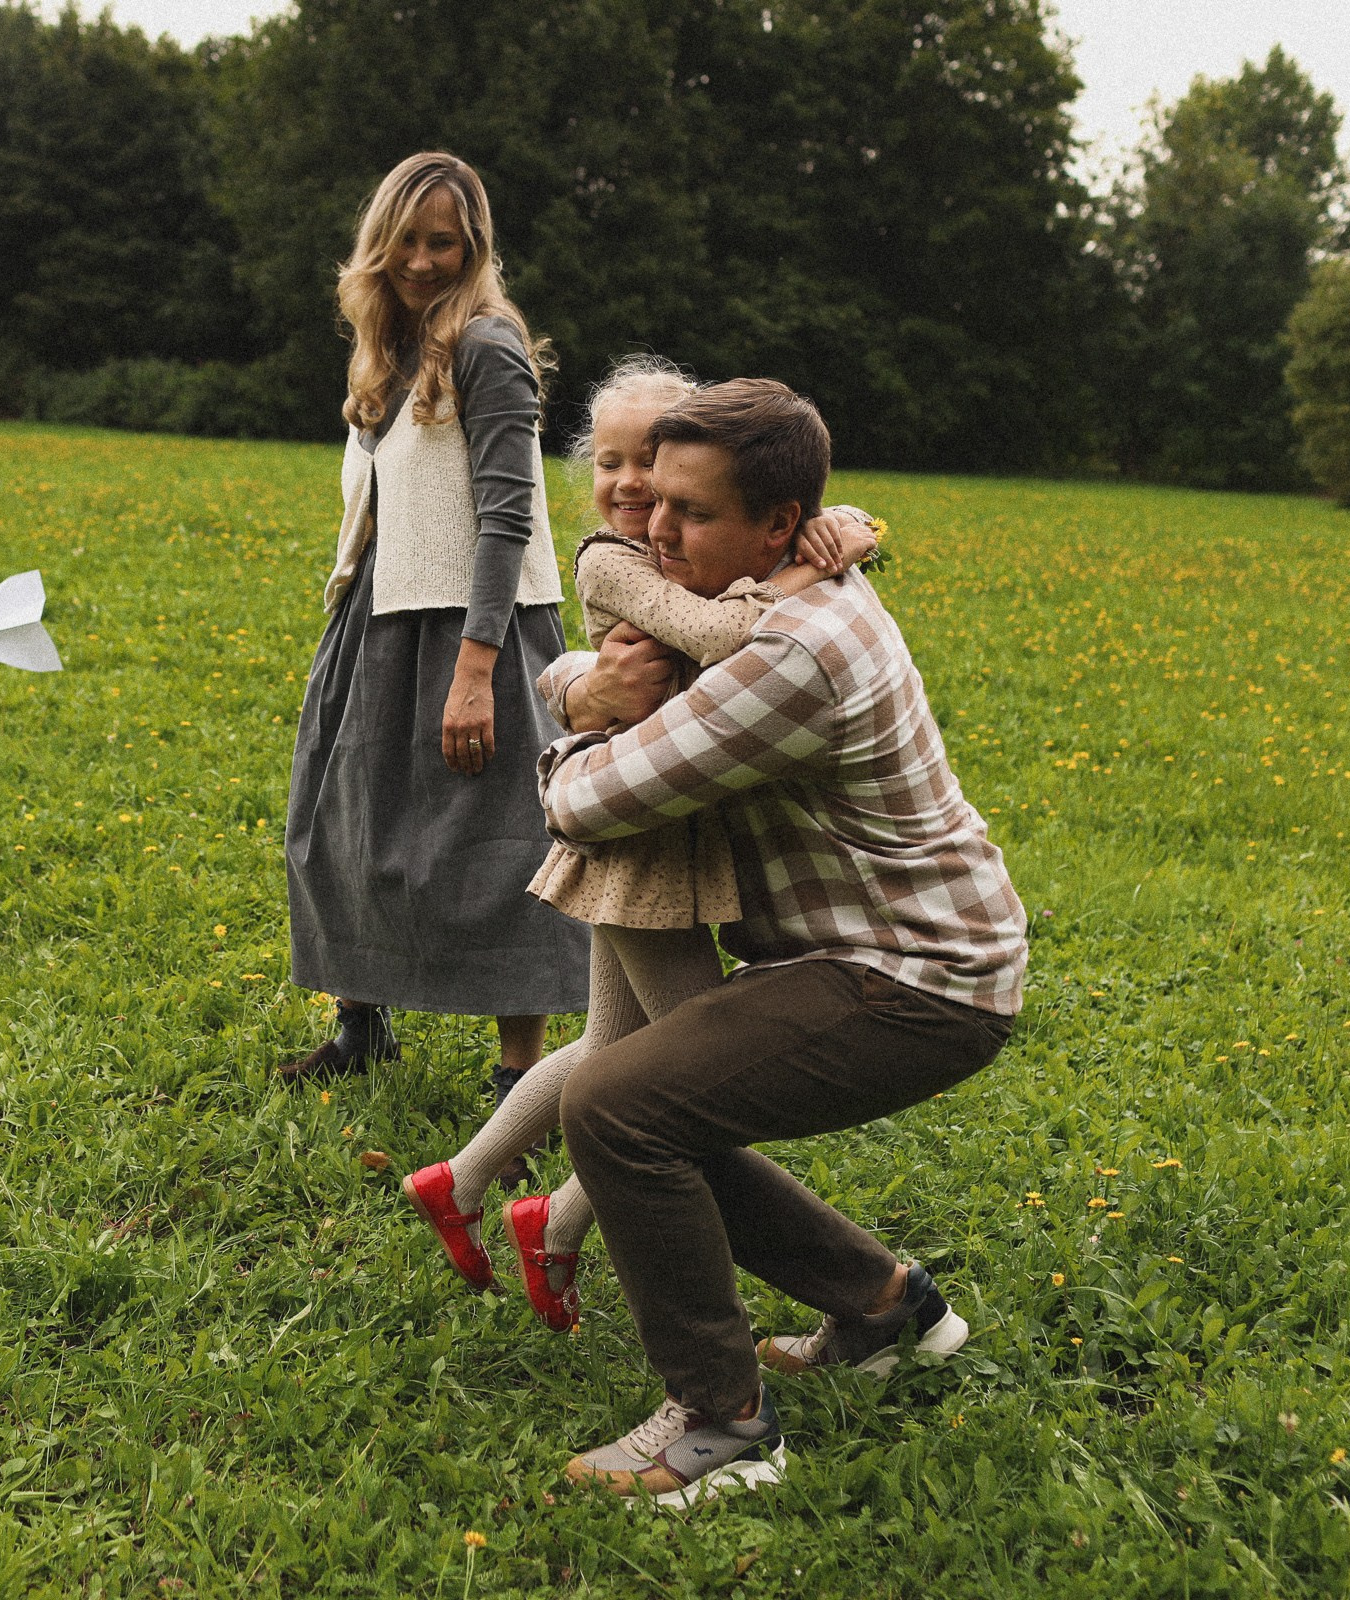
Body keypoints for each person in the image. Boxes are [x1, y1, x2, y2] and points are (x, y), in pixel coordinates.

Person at [538, 380, 1027, 1506]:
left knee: (614, 1107)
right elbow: (612, 664)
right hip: (880, 953)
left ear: (777, 523)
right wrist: (586, 688)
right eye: (653, 501)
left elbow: (589, 806)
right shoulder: (762, 593)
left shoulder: (788, 652)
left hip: (916, 976)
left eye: (691, 515)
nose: (654, 532)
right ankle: (885, 1307)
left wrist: (576, 724)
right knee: (656, 1101)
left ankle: (725, 1427)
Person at [398, 358, 879, 1323]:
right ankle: (563, 1218)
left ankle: (469, 1183)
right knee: (689, 1068)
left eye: (649, 465)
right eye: (608, 462)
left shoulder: (685, 545)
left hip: (667, 828)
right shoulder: (612, 559)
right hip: (642, 841)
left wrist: (847, 527)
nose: (628, 486)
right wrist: (806, 565)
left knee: (617, 1049)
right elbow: (721, 636)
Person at [280, 151, 586, 1087]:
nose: (421, 260)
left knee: (504, 848)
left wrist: (474, 669)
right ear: (379, 243)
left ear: (472, 247)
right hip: (380, 615)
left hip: (474, 626)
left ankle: (518, 1076)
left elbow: (508, 515)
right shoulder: (390, 344)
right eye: (406, 240)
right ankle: (359, 1031)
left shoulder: (486, 345)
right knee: (346, 825)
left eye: (442, 242)